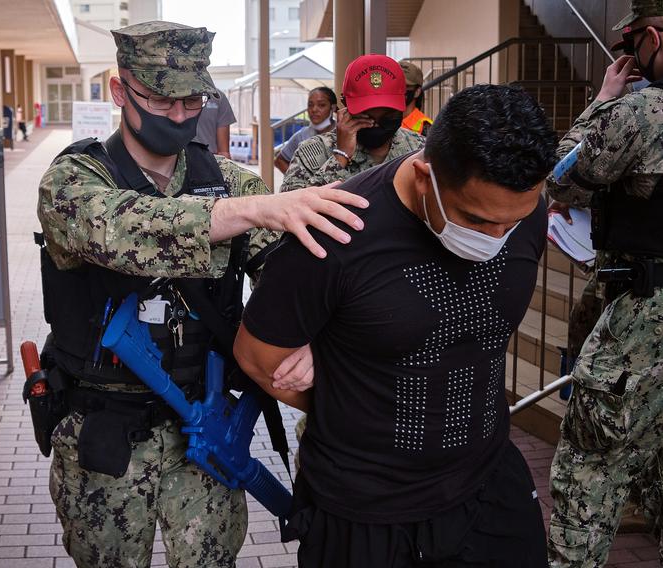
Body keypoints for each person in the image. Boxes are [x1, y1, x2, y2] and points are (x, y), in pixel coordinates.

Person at [36, 20, 368, 568]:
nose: (179, 115)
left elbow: (293, 280)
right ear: (120, 91)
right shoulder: (75, 178)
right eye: (161, 99)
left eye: (193, 100)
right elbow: (117, 227)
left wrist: (316, 342)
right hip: (104, 438)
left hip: (206, 430)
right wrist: (248, 212)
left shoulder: (233, 184)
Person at [234, 84, 558, 567]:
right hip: (364, 510)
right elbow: (257, 358)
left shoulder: (521, 211)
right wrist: (353, 396)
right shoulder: (334, 230)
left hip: (488, 486)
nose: (496, 236)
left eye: (510, 222)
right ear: (425, 176)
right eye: (476, 219)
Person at [544, 0, 663, 564]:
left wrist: (602, 100)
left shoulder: (639, 115)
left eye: (631, 42)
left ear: (652, 41)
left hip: (642, 320)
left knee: (591, 465)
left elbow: (561, 178)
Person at [280, 54, 424, 192]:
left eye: (388, 115)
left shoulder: (420, 148)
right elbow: (291, 212)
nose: (377, 124)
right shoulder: (312, 152)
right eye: (367, 116)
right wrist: (340, 157)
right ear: (344, 105)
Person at [274, 87, 338, 173]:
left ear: (333, 107)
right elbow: (280, 161)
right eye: (310, 105)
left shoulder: (343, 133)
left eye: (321, 105)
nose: (314, 110)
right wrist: (295, 181)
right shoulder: (302, 136)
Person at [193, 90, 236, 157]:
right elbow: (224, 152)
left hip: (208, 158)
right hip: (176, 159)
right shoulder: (217, 96)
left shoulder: (217, 97)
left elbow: (223, 152)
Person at [400, 60, 434, 136]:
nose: (399, 89)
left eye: (405, 86)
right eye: (396, 85)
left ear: (417, 92)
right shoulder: (381, 119)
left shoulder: (426, 126)